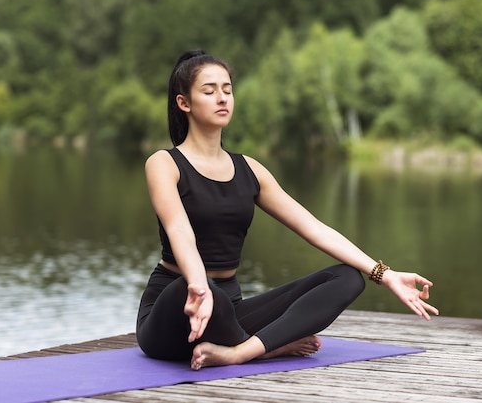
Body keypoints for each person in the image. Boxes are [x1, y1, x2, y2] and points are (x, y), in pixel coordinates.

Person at [136, 49, 439, 370]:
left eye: (227, 90)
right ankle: (265, 348)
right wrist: (198, 286)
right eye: (209, 91)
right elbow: (179, 230)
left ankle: (241, 351)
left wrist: (386, 275)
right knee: (200, 288)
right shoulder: (164, 163)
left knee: (348, 278)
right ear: (184, 103)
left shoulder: (250, 170)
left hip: (227, 310)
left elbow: (314, 228)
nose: (222, 98)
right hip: (174, 310)